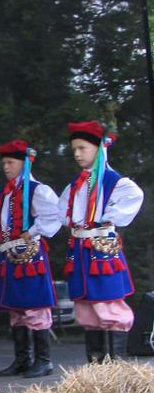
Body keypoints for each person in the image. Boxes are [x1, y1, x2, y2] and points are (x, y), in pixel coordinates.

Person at [59, 121, 144, 362]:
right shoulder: (76, 184)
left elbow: (134, 195)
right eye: (74, 149)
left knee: (108, 300)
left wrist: (109, 217)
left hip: (101, 249)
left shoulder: (114, 181)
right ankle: (97, 366)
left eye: (82, 148)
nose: (77, 154)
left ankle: (115, 365)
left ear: (98, 149)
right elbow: (62, 212)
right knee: (86, 305)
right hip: (80, 249)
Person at [0, 141, 60, 379]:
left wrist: (33, 231)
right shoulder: (3, 193)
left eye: (10, 162)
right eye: (4, 163)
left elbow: (53, 215)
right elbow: (1, 222)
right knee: (16, 308)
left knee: (35, 305)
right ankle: (22, 359)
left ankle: (43, 360)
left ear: (24, 163)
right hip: (10, 254)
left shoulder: (37, 190)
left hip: (30, 255)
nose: (6, 167)